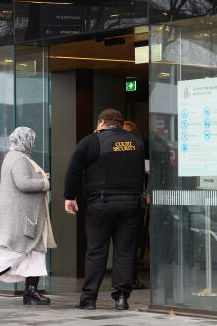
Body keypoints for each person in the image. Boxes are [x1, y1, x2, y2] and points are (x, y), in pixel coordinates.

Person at [64, 108, 145, 311]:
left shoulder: (91, 141)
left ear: (101, 122)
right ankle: (121, 298)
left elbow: (74, 168)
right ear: (120, 123)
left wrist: (69, 196)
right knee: (124, 251)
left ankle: (89, 299)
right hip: (130, 204)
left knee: (96, 252)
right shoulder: (137, 141)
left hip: (100, 204)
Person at [0, 126, 55, 306]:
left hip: (27, 215)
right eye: (31, 140)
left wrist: (40, 178)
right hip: (20, 217)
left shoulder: (18, 157)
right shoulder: (18, 160)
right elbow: (23, 183)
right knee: (12, 251)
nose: (33, 144)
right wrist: (45, 182)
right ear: (25, 141)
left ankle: (31, 291)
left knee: (36, 251)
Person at [121, 119, 148, 290]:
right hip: (121, 200)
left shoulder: (141, 151)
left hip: (137, 200)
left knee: (135, 238)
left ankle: (132, 276)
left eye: (129, 133)